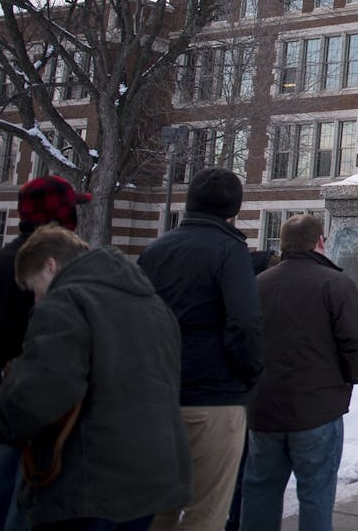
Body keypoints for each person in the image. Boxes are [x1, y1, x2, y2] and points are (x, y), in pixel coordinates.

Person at [0, 224, 192, 530]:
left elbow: (43, 391)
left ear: (50, 265)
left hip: (91, 481)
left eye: (35, 288)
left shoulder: (65, 303)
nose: (37, 300)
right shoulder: (154, 305)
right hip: (153, 476)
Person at [140, 167, 263, 531]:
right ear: (234, 209)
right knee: (205, 513)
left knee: (158, 508)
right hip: (214, 400)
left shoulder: (155, 250)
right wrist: (250, 374)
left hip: (158, 397)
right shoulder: (230, 250)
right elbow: (245, 323)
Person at [241, 214, 358, 531]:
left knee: (259, 490)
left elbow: (240, 340)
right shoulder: (336, 284)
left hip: (264, 409)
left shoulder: (256, 285)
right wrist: (345, 379)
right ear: (320, 242)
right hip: (317, 410)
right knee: (315, 494)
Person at [0, 176, 92, 531]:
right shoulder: (52, 268)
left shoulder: (2, 261)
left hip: (9, 394)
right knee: (29, 497)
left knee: (1, 493)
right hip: (40, 402)